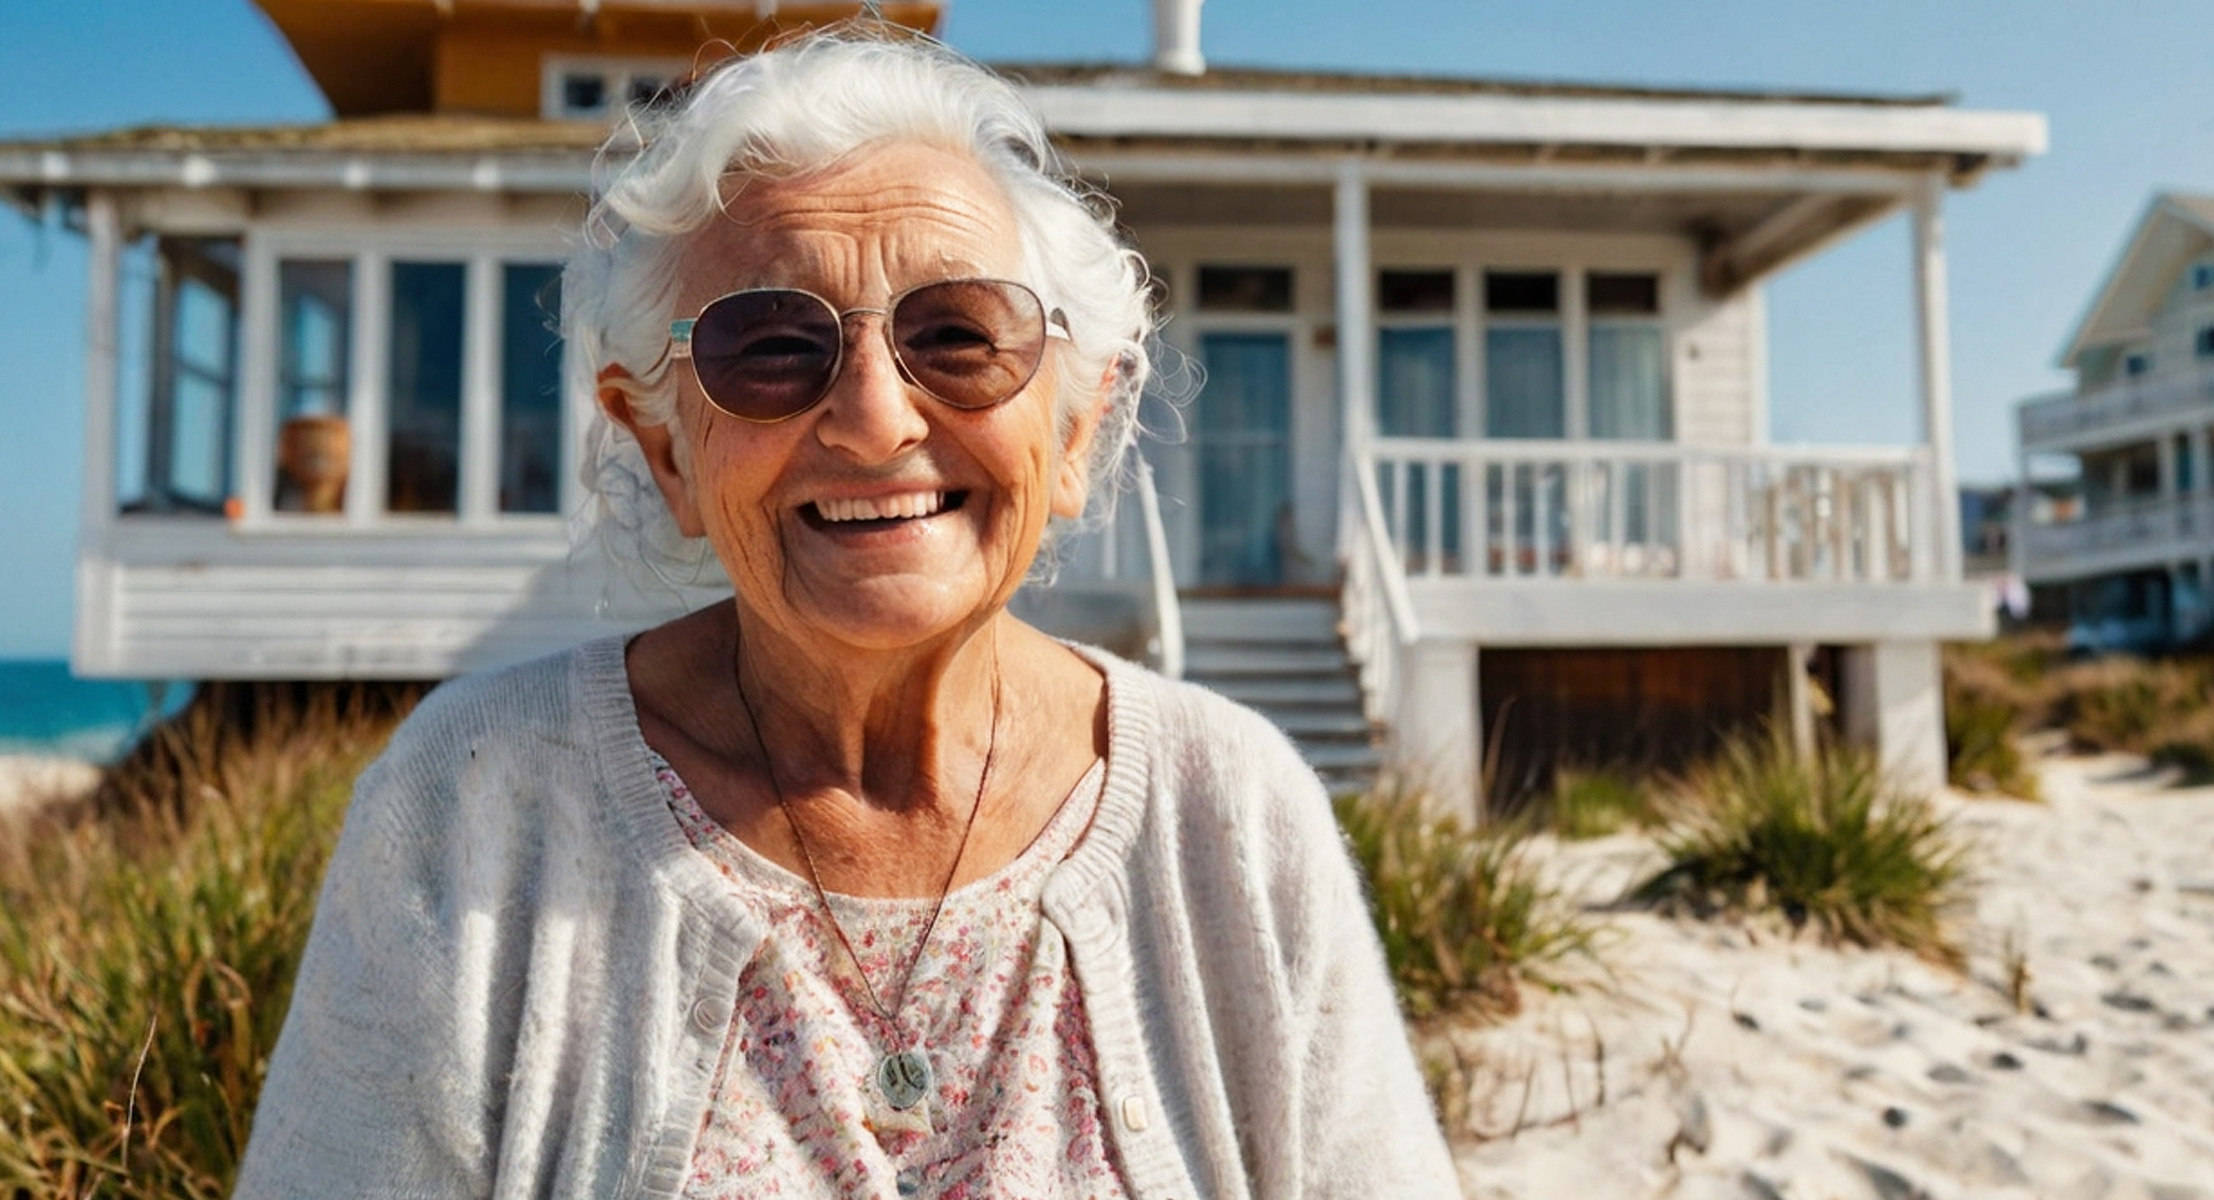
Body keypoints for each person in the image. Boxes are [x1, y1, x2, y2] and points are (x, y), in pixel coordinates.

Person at [236, 28, 1460, 1200]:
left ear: (1075, 433)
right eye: (768, 346)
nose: (878, 420)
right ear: (665, 451)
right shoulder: (472, 811)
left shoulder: (1232, 815)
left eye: (959, 336)